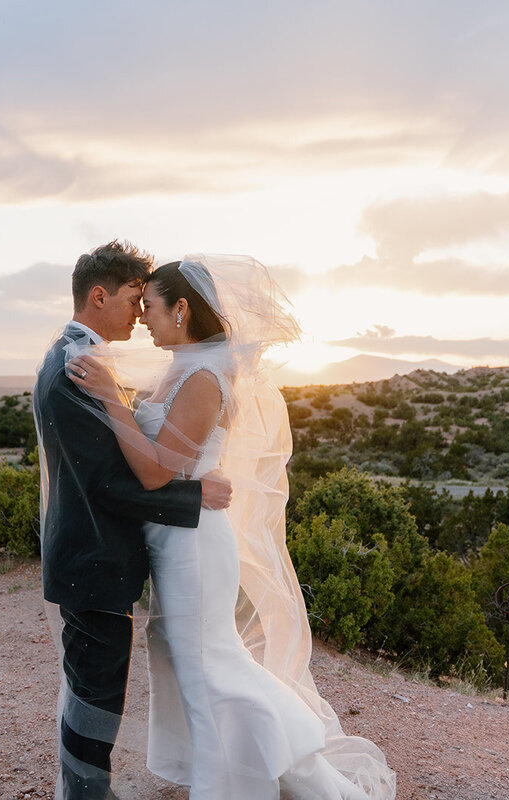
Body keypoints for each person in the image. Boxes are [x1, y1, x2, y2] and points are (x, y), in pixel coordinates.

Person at [67, 255, 397, 799]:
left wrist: (108, 397)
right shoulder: (185, 366)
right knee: (193, 659)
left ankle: (246, 781)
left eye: (149, 306)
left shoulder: (202, 378)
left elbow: (153, 471)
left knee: (207, 667)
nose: (143, 317)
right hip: (176, 537)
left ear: (180, 308)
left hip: (193, 547)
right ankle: (249, 770)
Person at [33, 240, 233, 800]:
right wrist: (191, 498)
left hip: (91, 554)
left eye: (149, 300)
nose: (140, 312)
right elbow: (105, 482)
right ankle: (86, 794)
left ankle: (81, 790)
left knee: (89, 686)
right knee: (96, 690)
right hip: (93, 556)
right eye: (132, 297)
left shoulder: (76, 356)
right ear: (100, 295)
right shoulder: (77, 365)